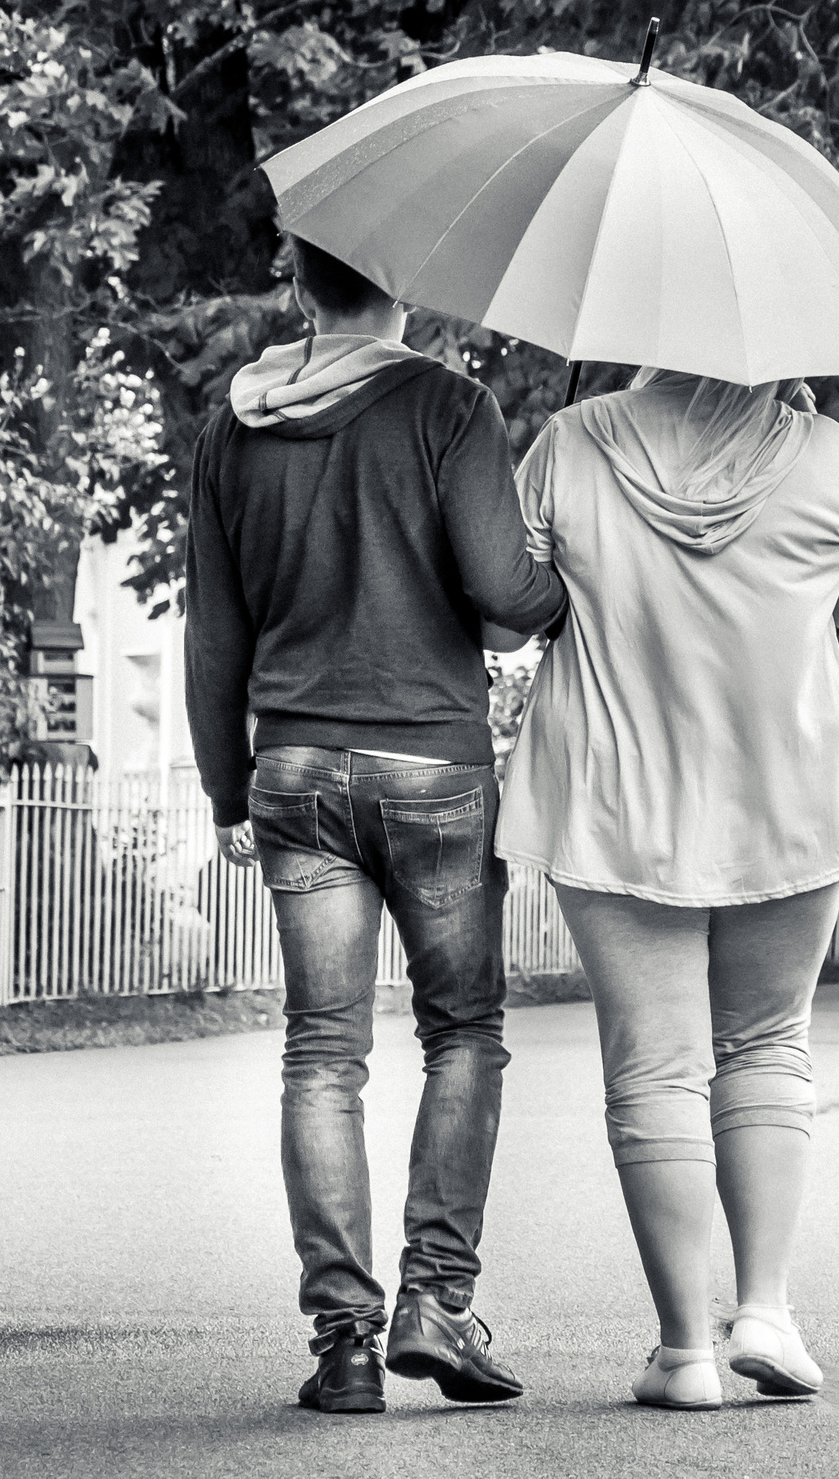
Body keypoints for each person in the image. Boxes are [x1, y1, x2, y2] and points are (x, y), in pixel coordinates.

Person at [185, 236, 566, 1413]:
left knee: (320, 1052)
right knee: (461, 1033)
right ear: (403, 286)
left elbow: (215, 635)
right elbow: (507, 604)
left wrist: (222, 787)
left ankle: (343, 1342)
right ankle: (436, 1305)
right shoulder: (449, 409)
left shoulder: (230, 426)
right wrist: (550, 585)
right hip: (431, 768)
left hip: (293, 771)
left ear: (298, 284)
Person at [498, 368, 839, 1411]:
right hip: (781, 791)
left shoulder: (572, 441)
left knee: (656, 1074)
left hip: (616, 797)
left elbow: (507, 615)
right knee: (767, 1045)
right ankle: (763, 1307)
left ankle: (685, 1354)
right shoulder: (821, 452)